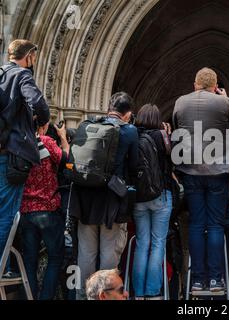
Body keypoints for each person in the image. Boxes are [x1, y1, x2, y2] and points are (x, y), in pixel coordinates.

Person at [172, 67, 229, 292]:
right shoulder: (222, 102)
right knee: (215, 225)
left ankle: (197, 280)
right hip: (218, 172)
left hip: (191, 170)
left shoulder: (180, 102)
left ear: (195, 84)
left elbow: (176, 127)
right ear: (215, 87)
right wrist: (226, 99)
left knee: (196, 224)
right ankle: (215, 280)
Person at [70, 92, 139, 299]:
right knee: (109, 252)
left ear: (109, 108)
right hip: (111, 200)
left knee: (86, 253)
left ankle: (84, 296)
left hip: (85, 197)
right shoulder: (129, 131)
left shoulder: (89, 124)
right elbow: (134, 166)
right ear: (127, 114)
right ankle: (107, 296)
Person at [0, 40, 50, 261]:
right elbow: (39, 104)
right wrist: (41, 120)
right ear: (28, 56)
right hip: (13, 156)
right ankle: (2, 265)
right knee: (7, 215)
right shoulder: (22, 75)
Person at [18, 120, 69, 300]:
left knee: (29, 262)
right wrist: (63, 136)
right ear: (43, 125)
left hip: (25, 210)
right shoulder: (45, 141)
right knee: (55, 258)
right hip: (48, 209)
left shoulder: (20, 142)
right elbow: (66, 160)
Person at [132, 104, 173, 300]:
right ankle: (153, 292)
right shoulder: (160, 135)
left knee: (142, 244)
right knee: (158, 244)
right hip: (160, 195)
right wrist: (167, 134)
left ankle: (138, 293)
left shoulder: (132, 134)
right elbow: (172, 161)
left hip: (138, 198)